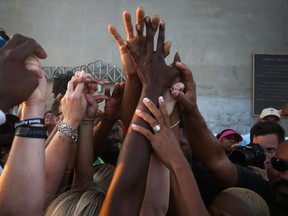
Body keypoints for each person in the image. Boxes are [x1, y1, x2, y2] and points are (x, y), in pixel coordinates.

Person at [168, 60, 288, 215]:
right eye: (279, 164)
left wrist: (173, 158)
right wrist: (190, 108)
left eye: (271, 149)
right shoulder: (260, 187)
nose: (286, 176)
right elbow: (215, 160)